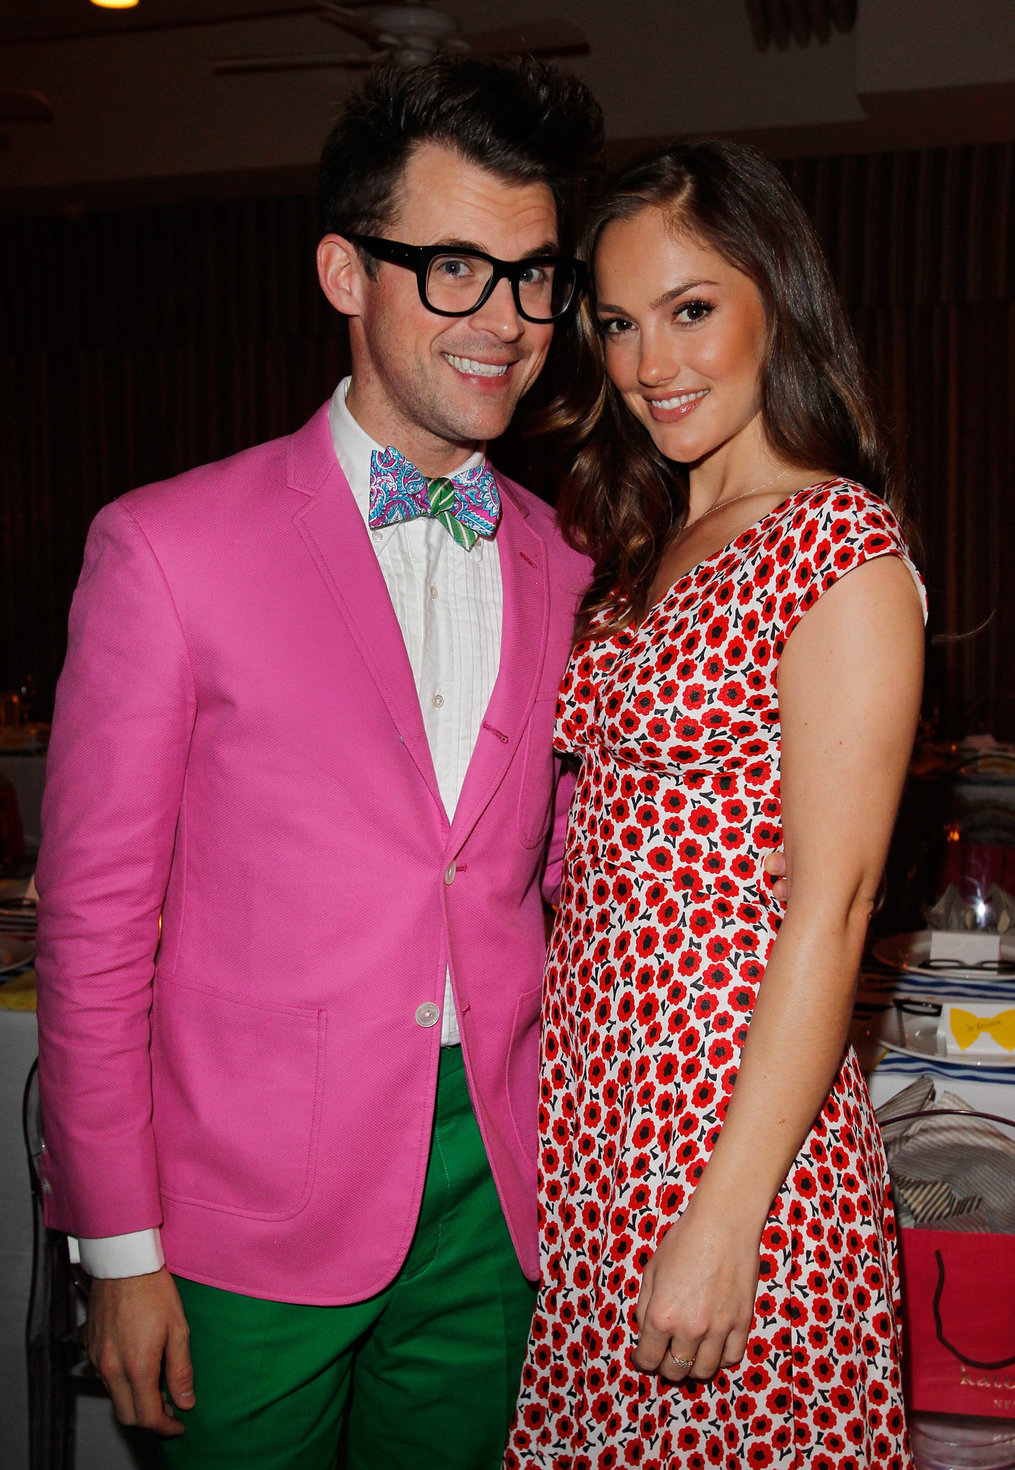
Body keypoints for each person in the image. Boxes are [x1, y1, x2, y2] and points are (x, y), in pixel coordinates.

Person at [34, 57, 603, 1470]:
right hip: (241, 1212)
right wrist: (119, 1246)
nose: (507, 321)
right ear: (345, 272)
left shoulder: (569, 560)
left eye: (535, 276)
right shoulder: (167, 547)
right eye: (455, 268)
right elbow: (93, 927)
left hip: (497, 1199)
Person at [506, 140, 926, 1469]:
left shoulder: (838, 546)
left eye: (691, 309)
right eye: (619, 324)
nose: (651, 363)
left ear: (776, 301)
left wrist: (727, 1216)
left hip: (733, 1139)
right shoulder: (642, 544)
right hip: (600, 1124)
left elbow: (834, 909)